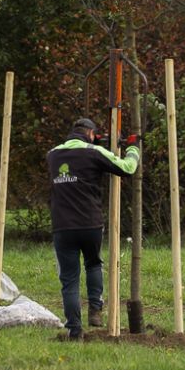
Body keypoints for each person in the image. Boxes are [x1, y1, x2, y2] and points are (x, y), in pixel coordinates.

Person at [46, 117, 139, 339]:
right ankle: (95, 310)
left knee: (69, 279)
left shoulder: (53, 155)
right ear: (90, 134)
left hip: (62, 226)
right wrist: (134, 148)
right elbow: (128, 168)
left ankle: (74, 330)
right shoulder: (94, 153)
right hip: (90, 224)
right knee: (93, 264)